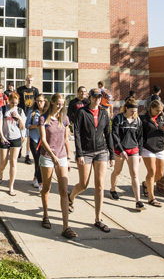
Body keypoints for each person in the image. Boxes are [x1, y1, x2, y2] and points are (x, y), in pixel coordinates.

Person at [69, 88, 114, 232]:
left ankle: (98, 218)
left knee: (100, 185)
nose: (97, 99)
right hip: (86, 152)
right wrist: (79, 154)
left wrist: (112, 154)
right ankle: (71, 196)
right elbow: (76, 133)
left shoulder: (103, 113)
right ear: (90, 97)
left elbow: (108, 134)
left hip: (101, 151)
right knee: (83, 185)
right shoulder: (82, 112)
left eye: (99, 97)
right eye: (95, 97)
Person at [38, 93, 76, 239]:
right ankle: (46, 215)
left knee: (64, 190)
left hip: (62, 158)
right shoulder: (44, 118)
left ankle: (66, 226)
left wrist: (68, 157)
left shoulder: (65, 119)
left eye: (62, 104)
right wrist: (53, 156)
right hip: (47, 157)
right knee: (46, 188)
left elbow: (66, 139)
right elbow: (43, 139)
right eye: (58, 103)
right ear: (52, 102)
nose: (60, 106)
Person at [109, 98, 145, 210]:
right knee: (117, 171)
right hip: (120, 149)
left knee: (134, 174)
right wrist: (121, 150)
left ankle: (138, 201)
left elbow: (140, 137)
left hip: (133, 149)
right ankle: (113, 189)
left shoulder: (137, 120)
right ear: (127, 109)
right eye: (132, 111)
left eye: (135, 111)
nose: (134, 113)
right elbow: (114, 135)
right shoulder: (118, 119)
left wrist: (140, 152)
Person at [140, 99, 164, 207]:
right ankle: (151, 198)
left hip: (160, 148)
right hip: (147, 148)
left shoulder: (162, 119)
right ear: (151, 108)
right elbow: (139, 135)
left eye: (161, 111)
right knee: (152, 172)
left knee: (160, 174)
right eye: (157, 110)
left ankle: (145, 184)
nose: (159, 112)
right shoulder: (143, 119)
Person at [0, 92, 26, 196]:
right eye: (12, 103)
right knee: (3, 162)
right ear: (8, 100)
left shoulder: (20, 111)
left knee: (13, 162)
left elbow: (23, 127)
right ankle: (0, 172)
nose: (14, 105)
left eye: (16, 103)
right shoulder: (3, 109)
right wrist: (2, 136)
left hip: (16, 138)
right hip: (5, 137)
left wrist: (19, 117)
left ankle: (11, 186)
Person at [17, 74, 40, 165]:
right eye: (28, 80)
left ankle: (27, 155)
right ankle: (19, 147)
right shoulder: (21, 90)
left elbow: (38, 101)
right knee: (22, 136)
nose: (29, 81)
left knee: (29, 136)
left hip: (31, 113)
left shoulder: (35, 90)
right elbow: (18, 101)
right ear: (25, 80)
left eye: (31, 80)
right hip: (23, 112)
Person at [26, 94, 48, 189]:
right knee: (37, 159)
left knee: (42, 160)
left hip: (44, 139)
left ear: (45, 101)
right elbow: (27, 125)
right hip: (34, 138)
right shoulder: (32, 112)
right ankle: (40, 183)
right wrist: (37, 125)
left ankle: (35, 177)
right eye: (38, 101)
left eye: (41, 101)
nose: (39, 103)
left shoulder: (48, 112)